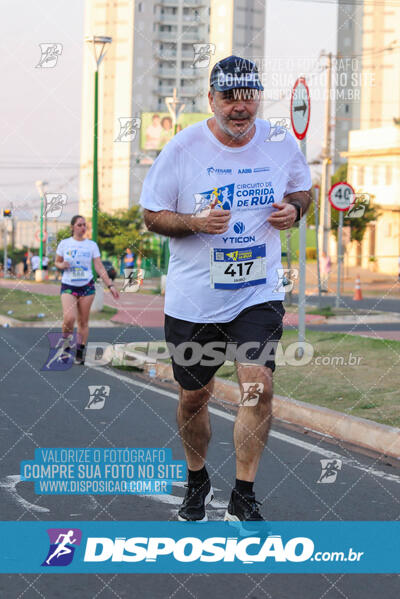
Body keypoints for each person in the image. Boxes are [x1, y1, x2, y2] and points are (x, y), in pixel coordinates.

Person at [140, 55, 312, 523]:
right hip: (195, 298)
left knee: (258, 387)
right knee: (194, 396)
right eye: (229, 98)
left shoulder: (278, 142)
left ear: (258, 97)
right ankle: (197, 479)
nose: (240, 107)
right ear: (211, 99)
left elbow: (302, 191)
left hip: (257, 291)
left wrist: (295, 211)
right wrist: (194, 222)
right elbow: (153, 214)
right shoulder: (183, 147)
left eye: (248, 97)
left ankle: (244, 492)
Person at [55, 215, 119, 365]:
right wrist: (61, 265)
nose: (83, 228)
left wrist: (110, 285)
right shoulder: (65, 244)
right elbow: (57, 262)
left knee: (83, 321)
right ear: (72, 227)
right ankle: (65, 346)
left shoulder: (91, 245)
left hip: (87, 286)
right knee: (69, 318)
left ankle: (80, 351)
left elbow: (99, 266)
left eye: (84, 225)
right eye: (79, 225)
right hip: (69, 285)